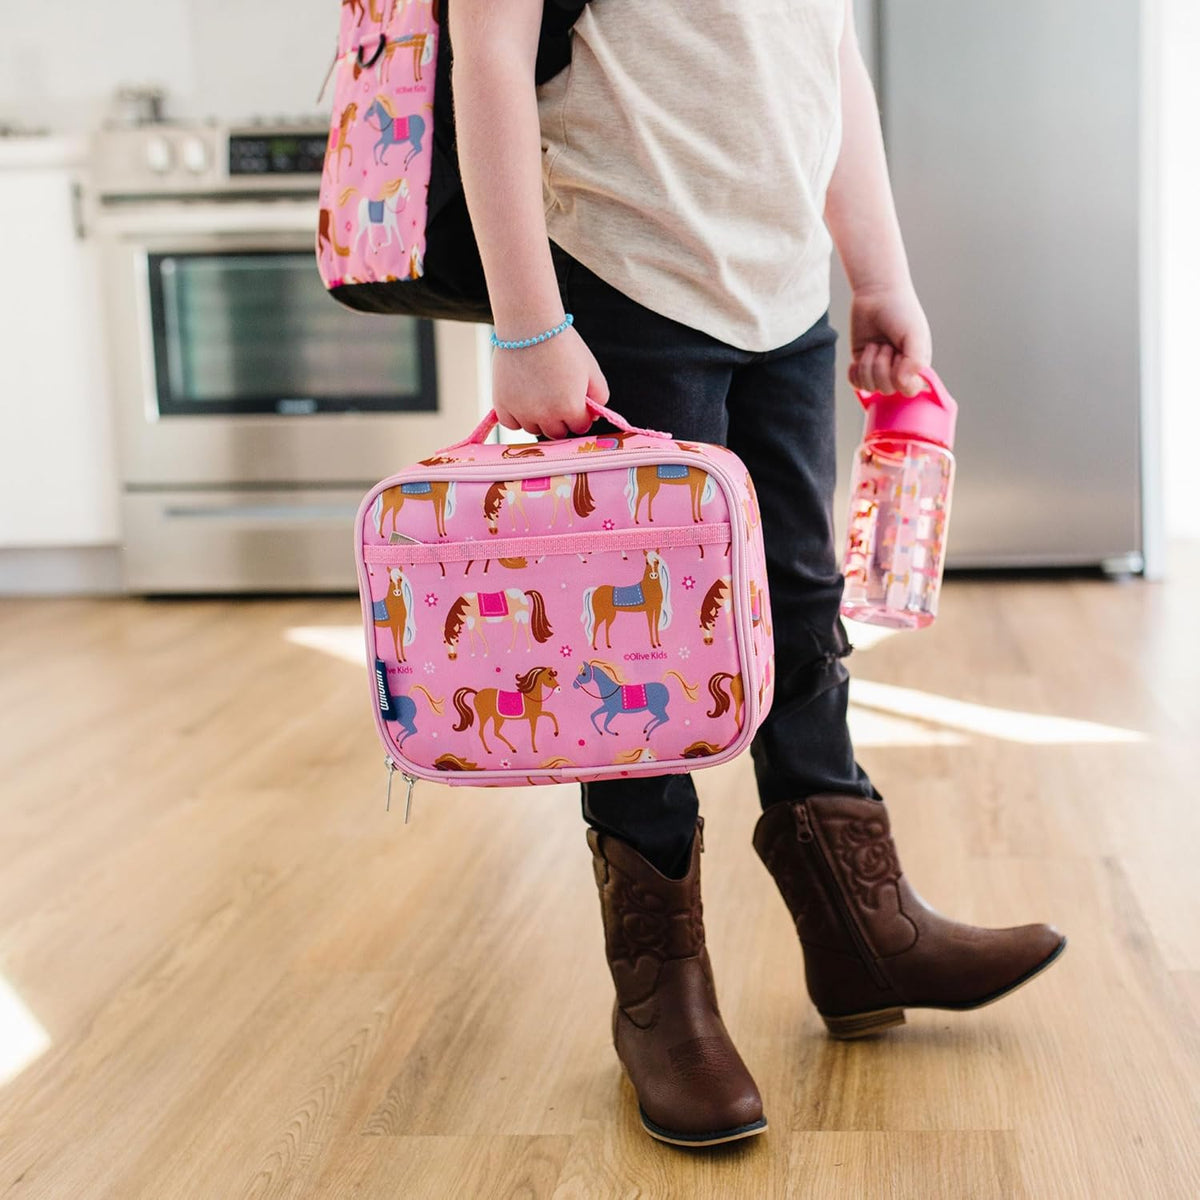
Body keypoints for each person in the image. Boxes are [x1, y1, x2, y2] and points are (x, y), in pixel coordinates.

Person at [449, 0, 1066, 1148]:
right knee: (648, 653)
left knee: (798, 603)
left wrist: (877, 275)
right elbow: (482, 46)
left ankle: (859, 930)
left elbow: (825, 52)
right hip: (625, 281)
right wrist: (527, 328)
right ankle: (662, 998)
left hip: (784, 298)